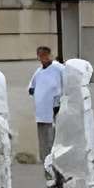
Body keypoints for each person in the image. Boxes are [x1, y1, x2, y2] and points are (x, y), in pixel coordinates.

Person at [28, 42, 65, 170]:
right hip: (41, 112)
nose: (43, 58)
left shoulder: (58, 68)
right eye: (40, 56)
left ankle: (58, 167)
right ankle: (48, 166)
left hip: (55, 110)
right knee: (44, 142)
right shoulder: (38, 72)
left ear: (49, 55)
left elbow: (67, 84)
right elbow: (31, 87)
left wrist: (60, 102)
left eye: (45, 55)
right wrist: (37, 92)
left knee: (54, 139)